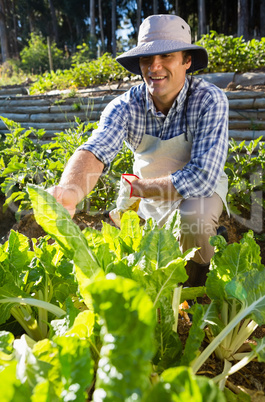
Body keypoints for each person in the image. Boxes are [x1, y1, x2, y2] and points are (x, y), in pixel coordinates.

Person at [50, 14, 229, 287]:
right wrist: (70, 191)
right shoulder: (125, 106)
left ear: (187, 61)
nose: (154, 66)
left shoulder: (209, 100)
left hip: (197, 192)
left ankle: (196, 284)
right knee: (136, 244)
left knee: (194, 220)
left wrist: (138, 190)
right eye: (147, 58)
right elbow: (96, 149)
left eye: (166, 56)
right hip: (147, 191)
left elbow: (202, 178)